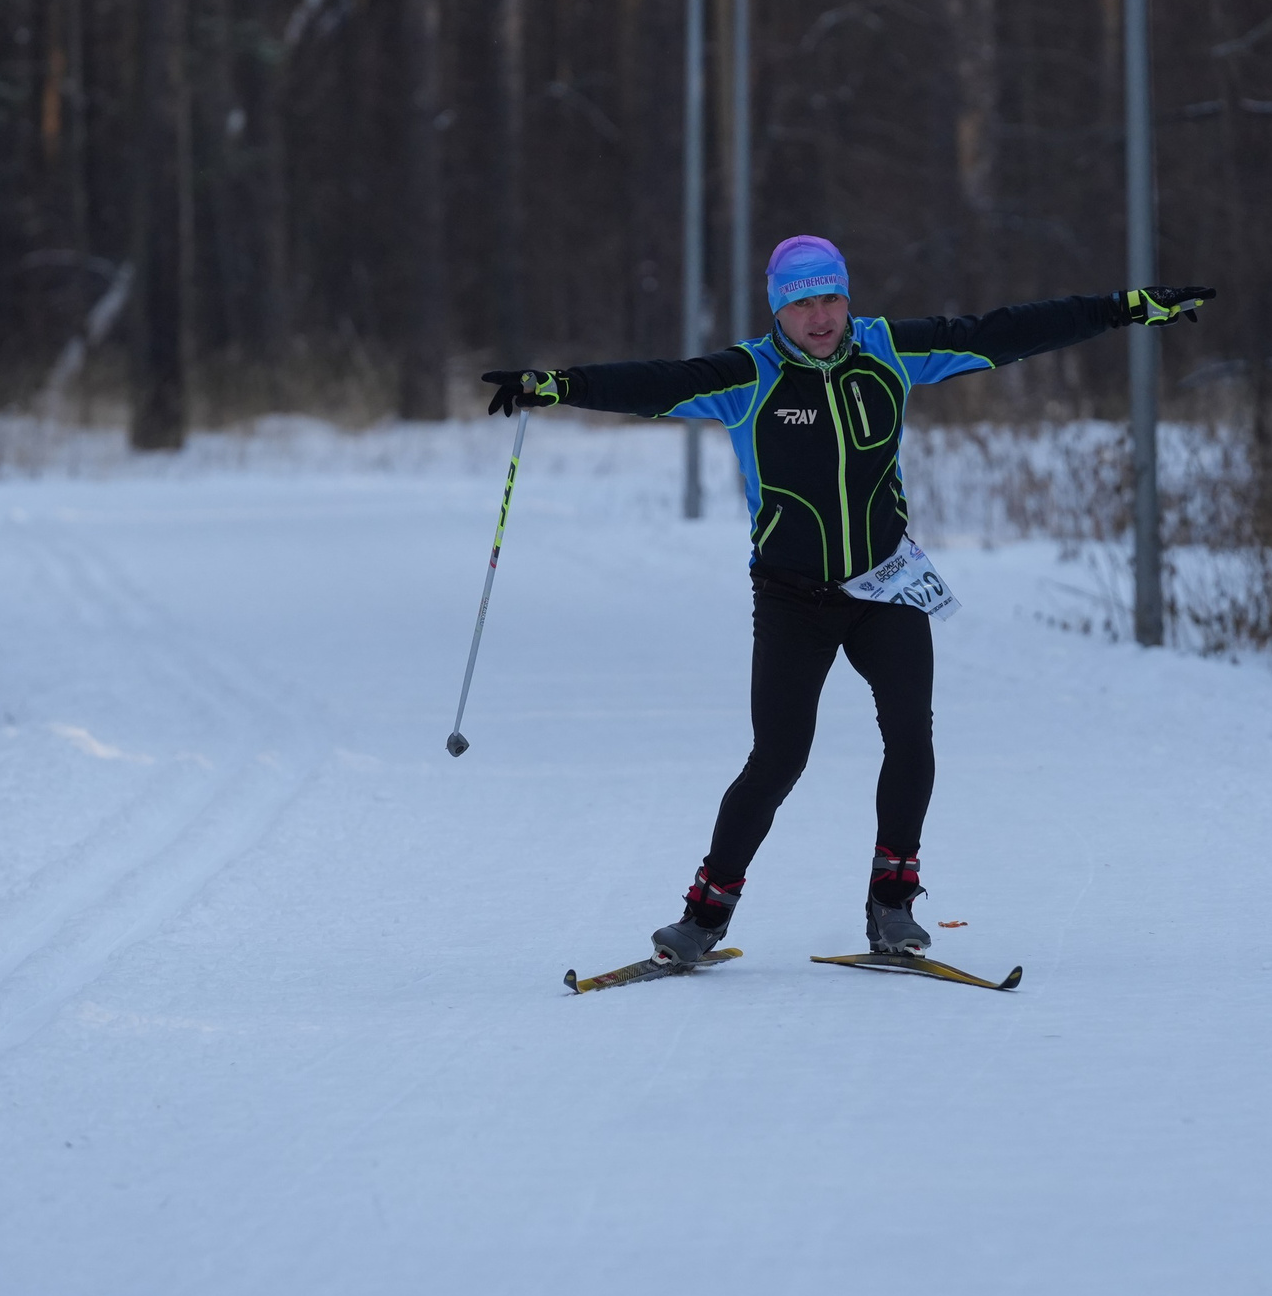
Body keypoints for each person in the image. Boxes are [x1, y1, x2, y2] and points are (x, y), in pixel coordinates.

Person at [483, 236, 1215, 966]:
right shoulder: (748, 375)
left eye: (832, 298)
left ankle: (892, 905)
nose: (821, 316)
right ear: (778, 310)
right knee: (778, 759)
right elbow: (655, 383)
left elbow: (1002, 333)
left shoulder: (888, 351)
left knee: (911, 738)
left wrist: (1120, 308)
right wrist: (560, 386)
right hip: (791, 598)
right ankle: (703, 916)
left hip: (885, 584)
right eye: (803, 303)